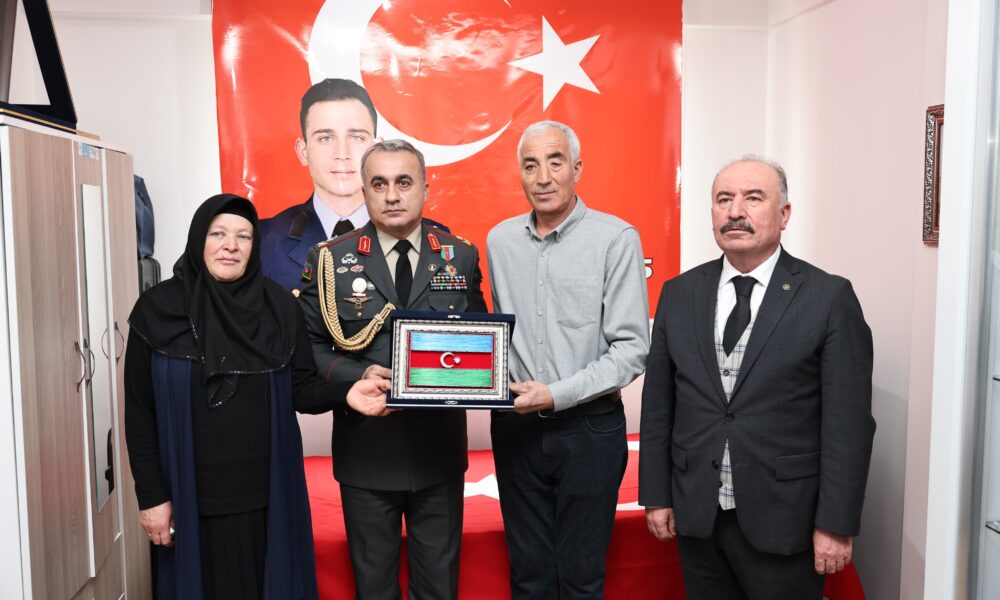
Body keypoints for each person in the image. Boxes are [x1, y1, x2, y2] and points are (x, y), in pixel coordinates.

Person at [124, 193, 390, 599]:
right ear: (198, 239)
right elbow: (140, 413)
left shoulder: (279, 307)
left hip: (266, 498)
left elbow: (301, 389)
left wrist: (347, 392)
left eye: (243, 236)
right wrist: (152, 498)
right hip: (187, 496)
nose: (231, 245)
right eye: (218, 234)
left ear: (255, 246)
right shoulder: (156, 310)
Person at [638, 156, 875, 599]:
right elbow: (658, 408)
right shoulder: (679, 293)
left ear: (784, 214)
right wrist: (657, 495)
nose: (735, 211)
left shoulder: (828, 297)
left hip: (786, 521)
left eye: (753, 198)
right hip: (698, 516)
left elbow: (848, 426)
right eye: (723, 199)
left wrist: (835, 524)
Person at [298, 139, 486, 599]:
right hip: (367, 454)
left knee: (439, 589)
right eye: (379, 184)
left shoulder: (459, 255)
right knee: (375, 590)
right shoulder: (331, 260)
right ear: (364, 191)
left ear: (425, 187)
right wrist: (356, 376)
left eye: (404, 182)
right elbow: (310, 347)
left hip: (438, 453)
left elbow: (481, 340)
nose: (392, 195)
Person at [486, 120, 650, 598]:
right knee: (528, 577)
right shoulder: (499, 241)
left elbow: (632, 349)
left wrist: (555, 394)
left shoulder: (616, 239)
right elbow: (495, 336)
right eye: (530, 165)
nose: (543, 177)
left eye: (555, 162)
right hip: (516, 429)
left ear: (576, 168)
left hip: (589, 430)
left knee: (581, 578)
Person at [260, 78, 446, 293]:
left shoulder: (433, 238)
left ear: (376, 149)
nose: (342, 154)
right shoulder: (264, 240)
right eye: (326, 138)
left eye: (356, 137)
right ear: (303, 151)